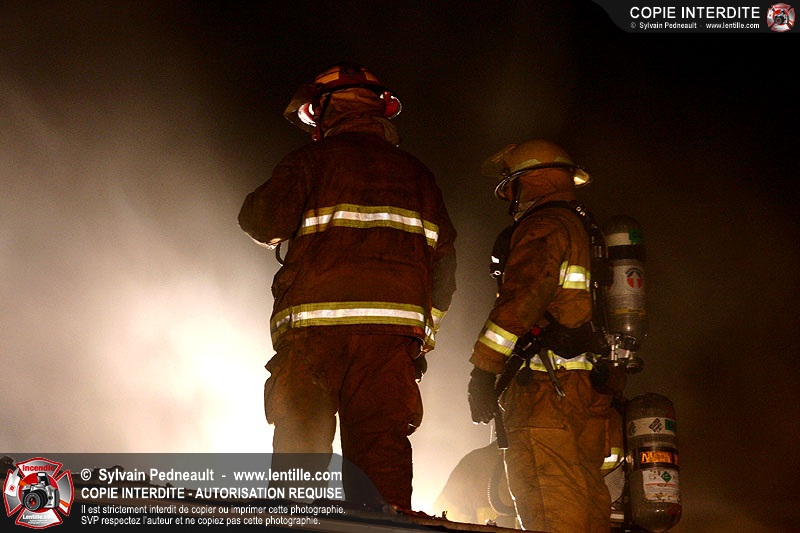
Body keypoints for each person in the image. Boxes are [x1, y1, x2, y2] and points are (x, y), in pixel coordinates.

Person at [238, 63, 457, 510]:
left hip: (315, 332)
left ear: (323, 110)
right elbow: (444, 272)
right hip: (389, 342)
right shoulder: (420, 177)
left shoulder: (311, 162)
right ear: (379, 110)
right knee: (381, 454)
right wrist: (420, 338)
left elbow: (263, 221)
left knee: (301, 446)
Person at [466, 139, 624, 532]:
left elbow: (520, 302)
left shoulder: (544, 227)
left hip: (544, 392)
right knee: (584, 498)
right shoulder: (582, 227)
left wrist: (484, 370)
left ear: (529, 181)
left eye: (510, 186)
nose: (510, 198)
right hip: (586, 391)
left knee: (548, 503)